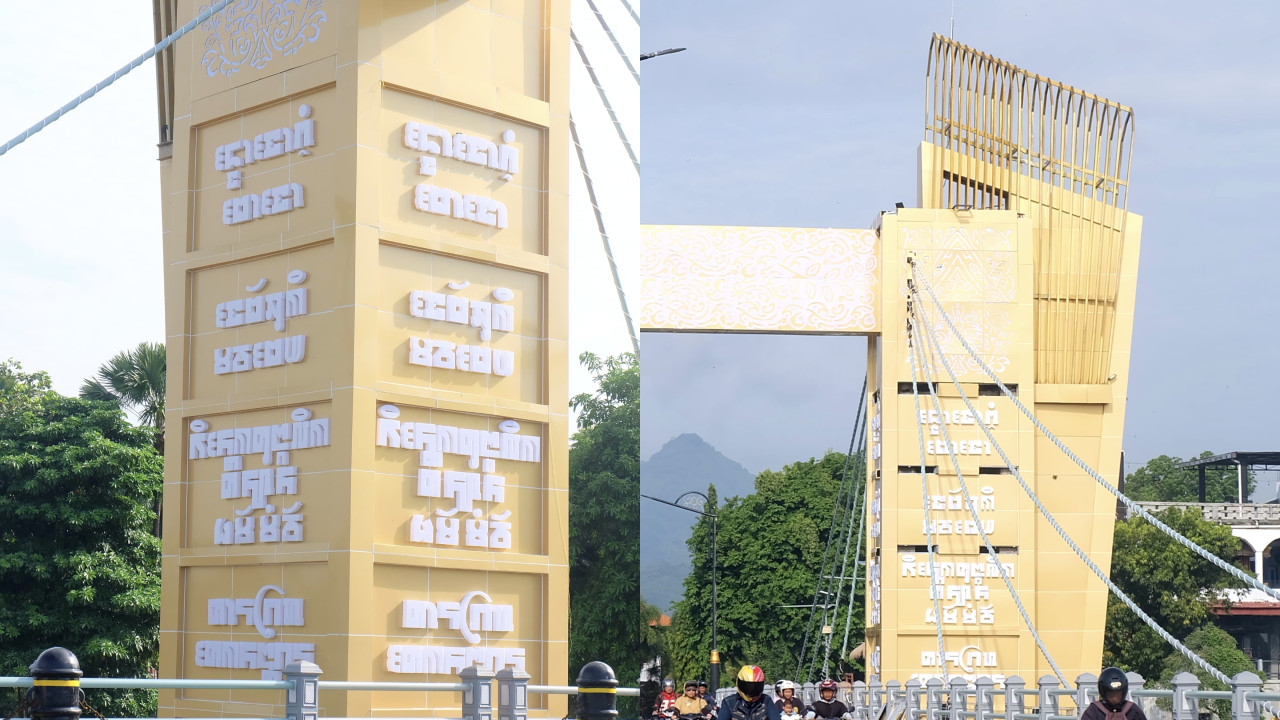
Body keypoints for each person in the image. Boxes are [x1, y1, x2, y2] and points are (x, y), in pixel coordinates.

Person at [717, 666, 782, 720]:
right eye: (749, 687)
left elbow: (775, 718)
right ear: (740, 684)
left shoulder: (766, 701)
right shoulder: (729, 703)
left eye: (756, 687)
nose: (752, 691)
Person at [1081, 668, 1147, 720]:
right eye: (1111, 694)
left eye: (1118, 694)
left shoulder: (1133, 710)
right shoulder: (1094, 710)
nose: (1114, 698)